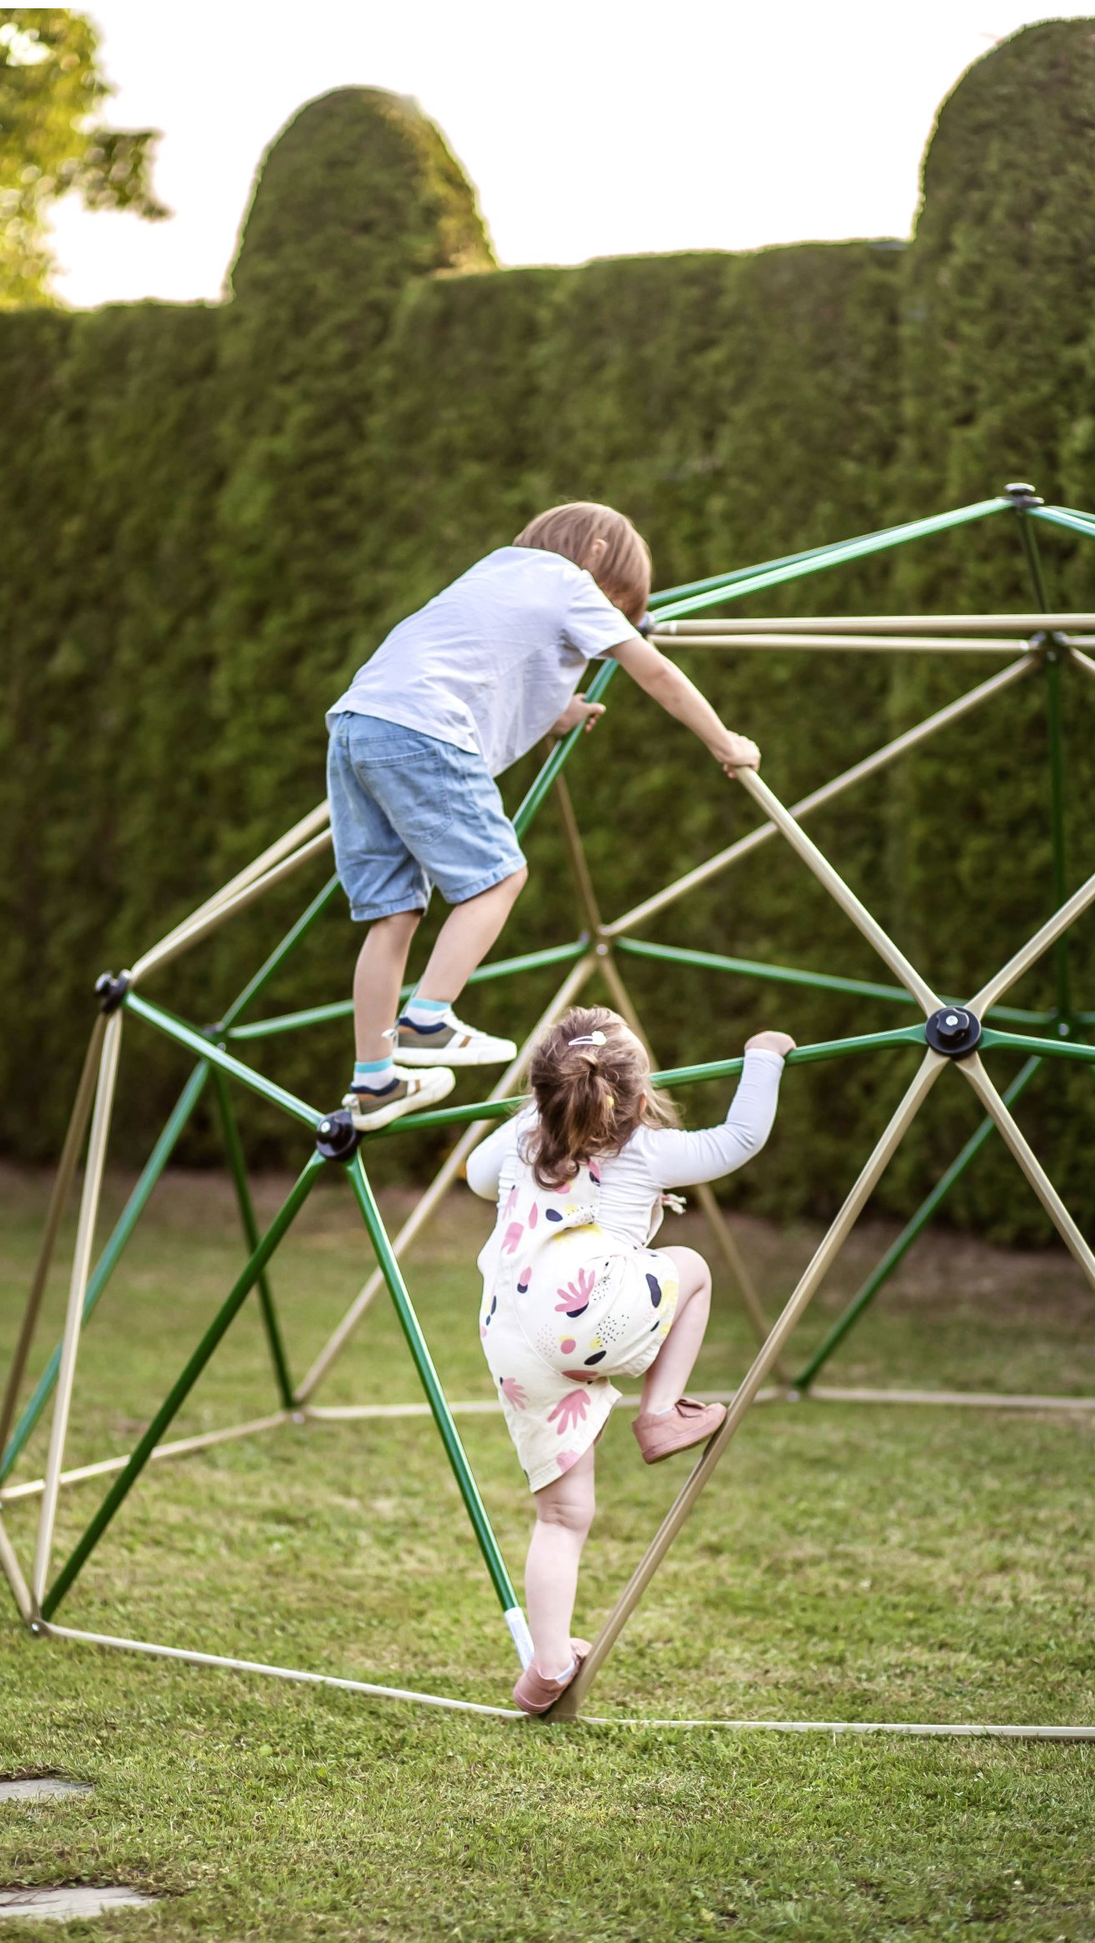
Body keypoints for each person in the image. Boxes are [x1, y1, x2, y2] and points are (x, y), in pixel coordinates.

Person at [325, 502, 762, 1132]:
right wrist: (725, 742)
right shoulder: (568, 581)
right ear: (596, 554)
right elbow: (654, 670)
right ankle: (427, 1018)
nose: (610, 624)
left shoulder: (496, 571)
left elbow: (495, 658)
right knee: (498, 878)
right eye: (617, 606)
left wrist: (556, 712)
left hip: (355, 726)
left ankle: (375, 1081)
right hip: (424, 730)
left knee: (393, 914)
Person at [465, 1004, 794, 1714]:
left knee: (560, 1514)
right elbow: (740, 1137)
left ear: (545, 1092)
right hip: (589, 1315)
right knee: (692, 1268)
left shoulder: (526, 1133)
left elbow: (472, 1175)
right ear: (638, 1097)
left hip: (513, 1337)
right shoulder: (645, 1146)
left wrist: (531, 1111)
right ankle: (659, 1412)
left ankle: (546, 1665)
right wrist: (762, 1054)